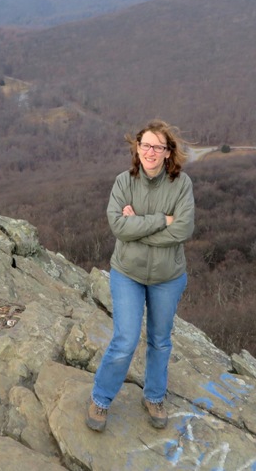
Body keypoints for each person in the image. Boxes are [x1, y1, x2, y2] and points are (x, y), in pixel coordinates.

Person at [86, 119, 195, 432]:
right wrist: (162, 220)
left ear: (167, 152)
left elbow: (183, 229)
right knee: (125, 339)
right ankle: (101, 398)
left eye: (157, 147)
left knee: (160, 341)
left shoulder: (181, 184)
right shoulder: (124, 182)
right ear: (137, 148)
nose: (150, 151)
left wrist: (138, 229)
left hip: (168, 277)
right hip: (128, 274)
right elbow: (118, 227)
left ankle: (154, 396)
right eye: (145, 145)